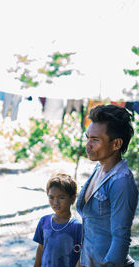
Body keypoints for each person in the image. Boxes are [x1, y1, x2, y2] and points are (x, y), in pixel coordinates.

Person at [76, 104, 137, 267]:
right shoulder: (99, 168)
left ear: (116, 144)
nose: (88, 145)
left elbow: (120, 238)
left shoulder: (121, 182)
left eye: (95, 139)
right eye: (87, 137)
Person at [33, 173, 82, 267]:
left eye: (61, 197)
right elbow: (40, 248)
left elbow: (82, 256)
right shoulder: (44, 221)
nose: (55, 202)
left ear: (72, 198)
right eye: (51, 197)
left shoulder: (78, 227)